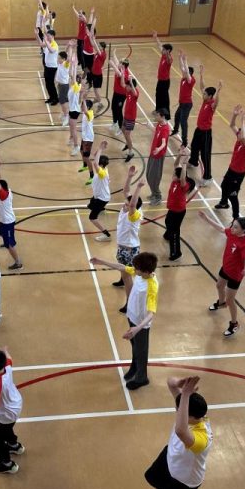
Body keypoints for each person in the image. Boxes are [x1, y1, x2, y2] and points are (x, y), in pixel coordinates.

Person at [144, 376, 212, 489]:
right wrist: (179, 384)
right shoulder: (192, 413)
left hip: (182, 480)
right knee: (152, 477)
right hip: (171, 457)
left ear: (189, 415)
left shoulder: (202, 438)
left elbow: (180, 431)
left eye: (180, 408)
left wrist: (185, 394)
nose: (177, 410)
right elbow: (170, 382)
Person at [91, 252, 158, 390]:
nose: (134, 269)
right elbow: (122, 267)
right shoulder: (140, 274)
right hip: (132, 316)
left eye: (137, 268)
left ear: (146, 271)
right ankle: (134, 367)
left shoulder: (152, 286)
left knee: (141, 351)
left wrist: (137, 328)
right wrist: (101, 261)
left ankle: (142, 378)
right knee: (135, 347)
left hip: (140, 324)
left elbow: (151, 313)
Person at [198, 212, 245, 337]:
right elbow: (221, 229)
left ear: (243, 230)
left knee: (230, 300)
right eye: (233, 225)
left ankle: (234, 323)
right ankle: (221, 303)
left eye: (235, 227)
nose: (232, 228)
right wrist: (207, 218)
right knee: (219, 286)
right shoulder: (232, 233)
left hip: (235, 275)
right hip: (226, 268)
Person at [112, 168, 144, 313]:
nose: (124, 204)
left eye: (127, 204)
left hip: (129, 250)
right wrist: (130, 177)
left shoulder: (134, 215)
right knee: (122, 270)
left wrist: (139, 187)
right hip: (122, 247)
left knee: (128, 278)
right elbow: (125, 191)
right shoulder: (126, 209)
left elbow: (131, 204)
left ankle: (129, 303)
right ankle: (122, 278)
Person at [215, 105, 245, 219]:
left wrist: (243, 121)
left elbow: (243, 138)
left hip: (238, 173)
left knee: (233, 195)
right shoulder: (240, 139)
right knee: (224, 185)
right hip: (232, 169)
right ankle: (224, 203)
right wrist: (234, 115)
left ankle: (236, 217)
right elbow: (232, 125)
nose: (239, 133)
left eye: (241, 132)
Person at [187, 70, 221, 185]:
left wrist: (219, 91)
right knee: (194, 147)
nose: (203, 94)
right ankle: (193, 162)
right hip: (198, 130)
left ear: (210, 96)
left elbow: (217, 102)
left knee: (205, 155)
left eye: (205, 94)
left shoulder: (211, 104)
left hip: (206, 133)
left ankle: (207, 177)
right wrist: (201, 75)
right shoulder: (205, 101)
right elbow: (202, 87)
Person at [164, 148, 198, 262]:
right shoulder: (175, 181)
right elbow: (175, 165)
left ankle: (176, 253)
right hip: (172, 209)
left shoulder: (184, 185)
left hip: (178, 212)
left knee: (175, 232)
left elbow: (183, 177)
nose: (172, 175)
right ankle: (168, 235)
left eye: (175, 175)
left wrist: (184, 163)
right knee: (167, 221)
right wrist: (179, 155)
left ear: (179, 177)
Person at [0, 157, 23, 270]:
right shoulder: (6, 190)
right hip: (4, 221)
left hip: (7, 222)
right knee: (0, 231)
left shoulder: (3, 195)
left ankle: (18, 263)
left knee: (10, 244)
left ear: (1, 188)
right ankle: (6, 241)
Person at [109, 53, 139, 162]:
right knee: (123, 129)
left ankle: (131, 152)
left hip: (131, 118)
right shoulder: (127, 92)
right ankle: (127, 143)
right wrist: (122, 75)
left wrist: (130, 81)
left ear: (132, 86)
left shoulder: (135, 94)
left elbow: (134, 92)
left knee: (127, 134)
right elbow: (122, 84)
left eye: (129, 86)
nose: (126, 87)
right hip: (126, 116)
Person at [144, 108, 172, 206]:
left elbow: (164, 143)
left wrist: (158, 149)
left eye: (157, 115)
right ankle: (153, 193)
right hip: (153, 153)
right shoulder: (159, 124)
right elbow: (156, 132)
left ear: (162, 116)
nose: (156, 116)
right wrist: (149, 127)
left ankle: (158, 196)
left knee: (154, 177)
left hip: (158, 156)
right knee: (148, 175)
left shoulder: (165, 129)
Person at [86, 140, 112, 242]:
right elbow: (95, 159)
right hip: (99, 196)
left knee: (92, 218)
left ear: (100, 165)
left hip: (102, 199)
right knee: (90, 205)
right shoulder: (104, 169)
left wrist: (101, 149)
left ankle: (106, 235)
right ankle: (101, 209)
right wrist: (101, 149)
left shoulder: (102, 173)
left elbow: (95, 163)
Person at [172, 50, 196, 147]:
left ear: (189, 73)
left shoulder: (191, 80)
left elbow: (185, 68)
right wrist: (180, 58)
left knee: (183, 122)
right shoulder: (183, 78)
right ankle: (175, 130)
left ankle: (185, 141)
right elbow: (182, 67)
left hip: (187, 104)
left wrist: (185, 60)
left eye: (186, 72)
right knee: (177, 116)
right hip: (182, 103)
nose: (184, 72)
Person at [36, 27, 59, 105]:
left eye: (48, 36)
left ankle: (55, 99)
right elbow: (41, 44)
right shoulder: (48, 43)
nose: (47, 37)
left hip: (52, 67)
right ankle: (51, 97)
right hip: (47, 66)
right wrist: (37, 35)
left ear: (52, 36)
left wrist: (45, 40)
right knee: (47, 83)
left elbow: (51, 50)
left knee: (51, 83)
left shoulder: (55, 44)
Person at [86, 24, 107, 108]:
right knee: (95, 90)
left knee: (96, 91)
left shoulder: (103, 54)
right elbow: (93, 44)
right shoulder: (98, 53)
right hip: (94, 73)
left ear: (102, 48)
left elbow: (96, 47)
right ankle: (96, 101)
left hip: (98, 75)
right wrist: (91, 38)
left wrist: (94, 39)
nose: (98, 46)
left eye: (99, 46)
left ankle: (99, 102)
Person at [67, 50, 83, 156]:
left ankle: (76, 146)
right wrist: (72, 64)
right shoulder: (74, 86)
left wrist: (75, 65)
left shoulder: (76, 87)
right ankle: (71, 138)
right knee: (70, 125)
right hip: (72, 109)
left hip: (74, 111)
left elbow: (72, 76)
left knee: (74, 129)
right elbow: (71, 75)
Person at [152, 31, 173, 112]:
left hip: (165, 81)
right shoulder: (163, 55)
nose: (162, 50)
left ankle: (164, 112)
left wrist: (167, 54)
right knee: (158, 94)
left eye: (164, 49)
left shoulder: (169, 58)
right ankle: (158, 109)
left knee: (163, 97)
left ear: (168, 51)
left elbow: (169, 60)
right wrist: (156, 37)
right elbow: (159, 45)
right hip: (160, 80)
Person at [110, 56, 130, 136]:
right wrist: (114, 54)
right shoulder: (121, 68)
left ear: (123, 65)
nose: (119, 63)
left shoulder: (124, 73)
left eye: (121, 63)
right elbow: (117, 62)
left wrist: (112, 64)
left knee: (118, 110)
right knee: (113, 107)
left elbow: (118, 72)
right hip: (116, 92)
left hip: (121, 95)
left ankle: (121, 128)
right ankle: (115, 123)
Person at [78, 97, 96, 184]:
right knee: (81, 150)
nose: (81, 107)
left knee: (86, 157)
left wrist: (83, 99)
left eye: (83, 106)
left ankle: (92, 176)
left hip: (88, 139)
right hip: (85, 137)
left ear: (87, 107)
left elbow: (85, 111)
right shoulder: (85, 113)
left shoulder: (90, 114)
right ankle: (85, 165)